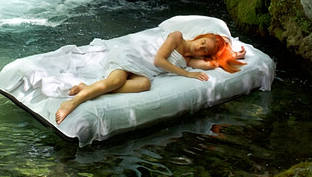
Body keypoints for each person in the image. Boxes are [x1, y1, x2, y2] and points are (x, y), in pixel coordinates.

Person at [54, 30, 246, 124]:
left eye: (205, 50)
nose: (200, 48)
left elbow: (212, 64)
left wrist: (232, 56)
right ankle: (73, 102)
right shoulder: (177, 37)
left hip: (141, 71)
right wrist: (187, 74)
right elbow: (159, 62)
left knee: (144, 84)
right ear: (200, 36)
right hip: (131, 56)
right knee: (117, 81)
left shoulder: (189, 59)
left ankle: (85, 87)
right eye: (203, 42)